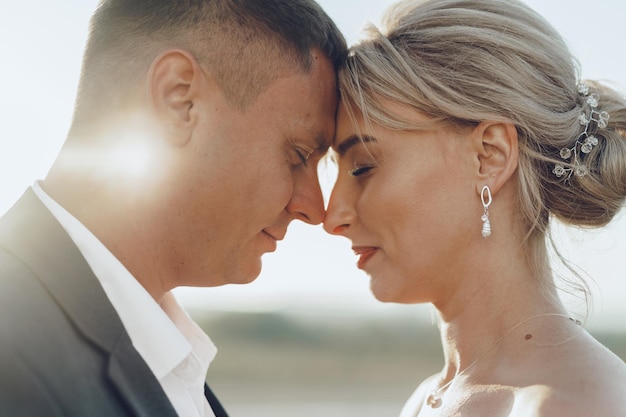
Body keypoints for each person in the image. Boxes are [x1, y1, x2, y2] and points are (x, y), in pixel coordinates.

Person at [0, 0, 346, 416]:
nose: (316, 208)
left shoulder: (168, 358)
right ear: (179, 98)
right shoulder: (14, 355)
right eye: (297, 154)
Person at [323, 0, 626, 415]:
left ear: (490, 156)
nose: (332, 216)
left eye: (363, 167)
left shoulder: (570, 405)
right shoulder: (427, 398)